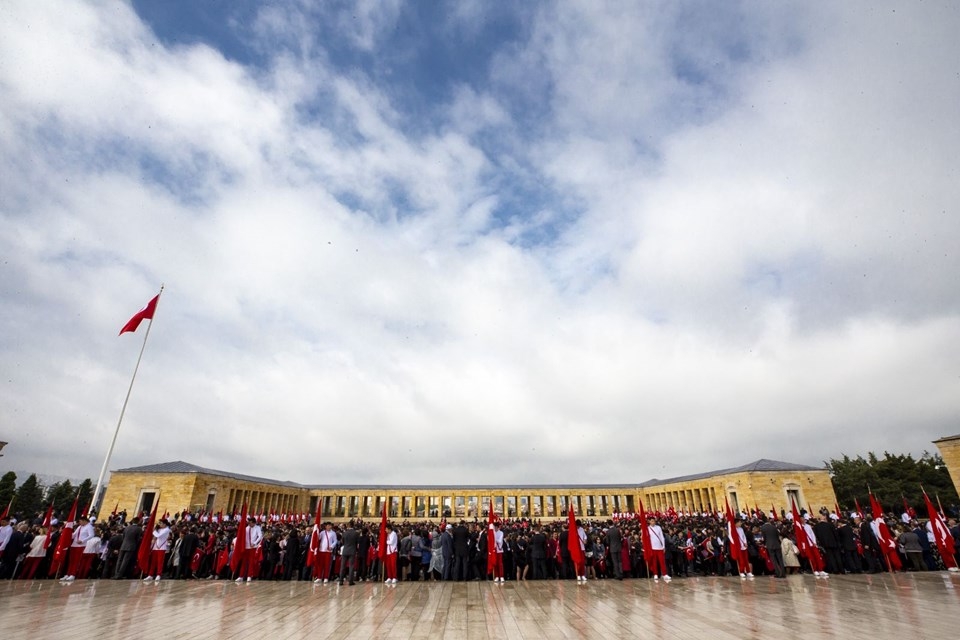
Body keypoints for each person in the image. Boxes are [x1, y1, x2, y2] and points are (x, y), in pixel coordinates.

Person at [646, 516, 671, 581]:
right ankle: (655, 574)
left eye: (654, 521)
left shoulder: (658, 527)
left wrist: (663, 546)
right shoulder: (647, 529)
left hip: (660, 547)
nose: (653, 522)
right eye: (651, 521)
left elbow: (662, 537)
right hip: (653, 548)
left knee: (662, 561)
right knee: (654, 562)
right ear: (649, 521)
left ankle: (665, 574)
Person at [338, 521, 359, 585]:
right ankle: (350, 581)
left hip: (345, 550)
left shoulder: (344, 533)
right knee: (351, 566)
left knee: (342, 566)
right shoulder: (356, 533)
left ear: (348, 526)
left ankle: (341, 580)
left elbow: (342, 542)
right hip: (352, 550)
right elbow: (357, 543)